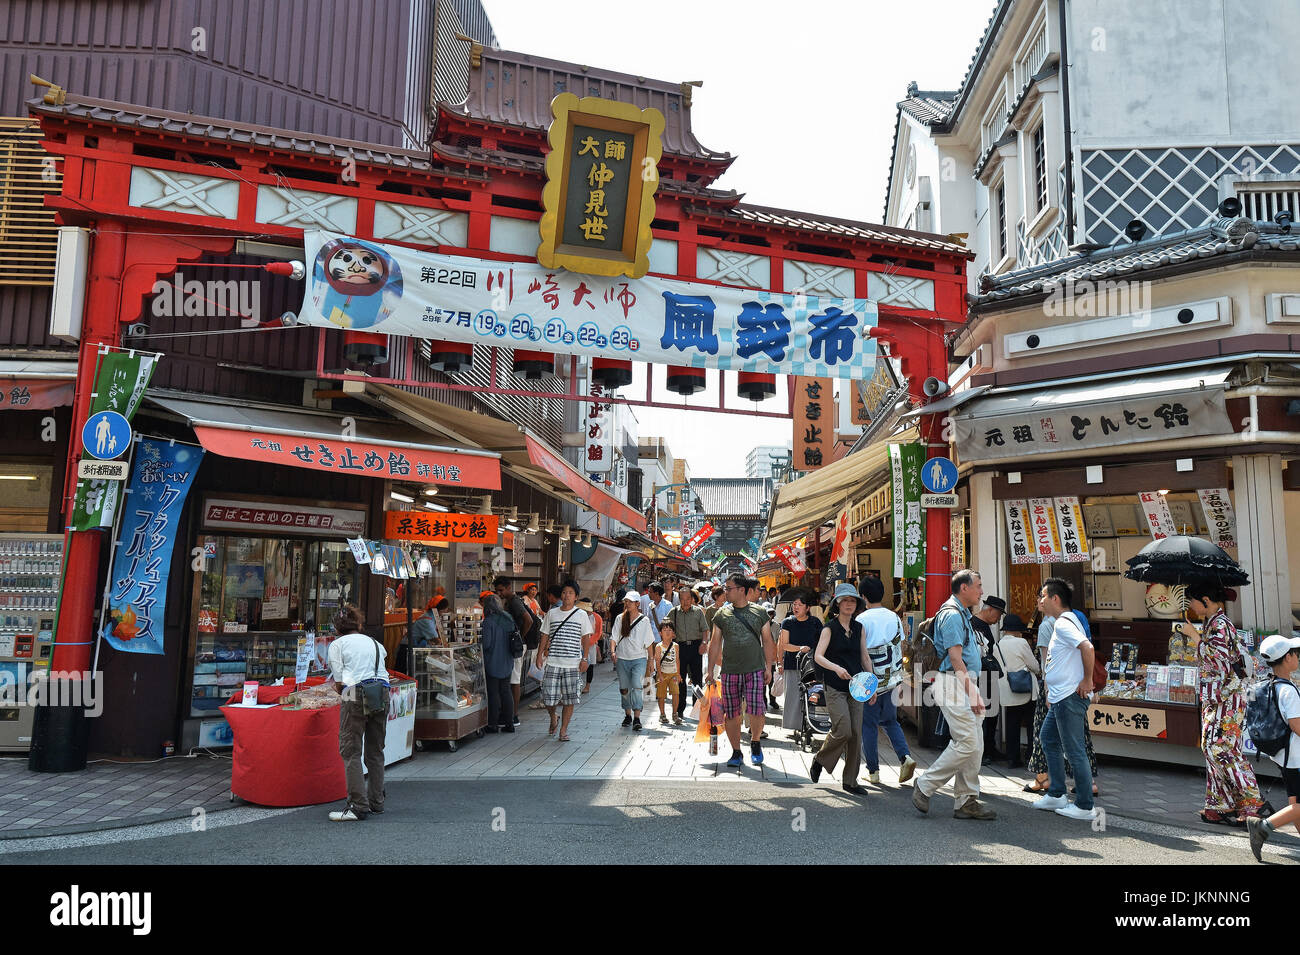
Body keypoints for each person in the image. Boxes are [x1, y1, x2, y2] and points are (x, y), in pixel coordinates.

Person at [913, 570, 997, 820]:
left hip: (962, 683)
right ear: (964, 588)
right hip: (953, 683)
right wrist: (973, 693)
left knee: (974, 743)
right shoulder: (951, 615)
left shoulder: (962, 613)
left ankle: (966, 799)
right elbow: (955, 658)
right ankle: (925, 785)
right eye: (979, 586)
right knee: (968, 742)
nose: (982, 592)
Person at [1183, 581, 1263, 825]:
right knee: (1211, 748)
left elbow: (1218, 662)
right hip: (1219, 697)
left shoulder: (1220, 624)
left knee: (1221, 748)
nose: (1191, 607)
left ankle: (1251, 802)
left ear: (1205, 600)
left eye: (1193, 602)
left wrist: (1195, 638)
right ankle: (1220, 803)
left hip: (1227, 697)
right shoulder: (1215, 622)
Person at [1031, 578, 1098, 821]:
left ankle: (1084, 805)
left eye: (1043, 596)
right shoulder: (1063, 621)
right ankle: (1057, 793)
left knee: (1074, 750)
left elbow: (1087, 648)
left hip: (1070, 696)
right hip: (1061, 696)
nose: (1040, 601)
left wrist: (1087, 680)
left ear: (1055, 599)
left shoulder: (1063, 623)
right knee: (1048, 737)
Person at [326, 604, 388, 822]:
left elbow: (340, 681)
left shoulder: (337, 645)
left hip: (353, 691)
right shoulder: (376, 643)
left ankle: (357, 805)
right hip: (382, 691)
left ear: (337, 627)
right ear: (358, 624)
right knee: (375, 749)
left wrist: (343, 697)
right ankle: (376, 802)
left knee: (350, 749)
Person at [809, 582, 872, 794]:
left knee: (855, 733)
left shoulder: (859, 628)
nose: (848, 604)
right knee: (843, 728)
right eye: (844, 600)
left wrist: (872, 684)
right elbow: (818, 655)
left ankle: (850, 781)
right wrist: (836, 668)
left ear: (857, 604)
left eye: (852, 600)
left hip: (857, 686)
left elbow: (864, 656)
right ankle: (820, 759)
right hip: (834, 685)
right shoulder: (829, 628)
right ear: (837, 603)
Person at [709, 573, 776, 767]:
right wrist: (710, 670)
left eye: (728, 588)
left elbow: (768, 641)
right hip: (729, 671)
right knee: (731, 713)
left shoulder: (759, 612)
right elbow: (715, 643)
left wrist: (769, 667)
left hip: (755, 669)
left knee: (757, 710)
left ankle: (755, 742)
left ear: (741, 590)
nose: (725, 592)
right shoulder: (721, 614)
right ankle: (736, 752)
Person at [856, 576, 916, 786]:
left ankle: (873, 772)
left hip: (871, 682)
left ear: (863, 596)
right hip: (893, 679)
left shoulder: (861, 620)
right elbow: (901, 647)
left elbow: (861, 653)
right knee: (891, 721)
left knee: (869, 725)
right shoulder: (894, 617)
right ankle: (905, 757)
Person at [1247, 635, 1300, 861]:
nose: (1298, 657)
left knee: (1295, 802)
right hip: (1297, 755)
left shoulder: (1260, 686)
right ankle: (1263, 826)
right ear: (1287, 658)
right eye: (1296, 654)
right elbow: (1298, 727)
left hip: (1281, 755)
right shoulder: (1289, 691)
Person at [538, 579, 590, 741]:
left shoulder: (581, 615)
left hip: (573, 663)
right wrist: (540, 655)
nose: (566, 595)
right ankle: (553, 716)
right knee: (548, 698)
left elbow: (586, 638)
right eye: (564, 592)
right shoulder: (552, 613)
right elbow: (545, 634)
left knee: (570, 699)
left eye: (570, 593)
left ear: (576, 597)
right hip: (553, 661)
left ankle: (563, 730)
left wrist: (585, 658)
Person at [993, 613, 1039, 768]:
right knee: (1032, 724)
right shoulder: (1021, 643)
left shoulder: (997, 646)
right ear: (1017, 630)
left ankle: (1012, 758)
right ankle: (1031, 756)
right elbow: (1034, 666)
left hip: (1007, 691)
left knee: (1012, 724)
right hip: (1025, 689)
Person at [970, 595, 1008, 763]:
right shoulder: (974, 624)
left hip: (986, 676)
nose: (999, 618)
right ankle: (985, 751)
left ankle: (989, 749)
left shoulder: (981, 624)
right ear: (990, 609)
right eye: (999, 614)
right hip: (981, 676)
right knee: (985, 715)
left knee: (991, 714)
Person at [610, 591, 655, 730]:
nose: (627, 604)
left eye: (630, 601)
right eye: (626, 601)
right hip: (622, 658)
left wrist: (651, 660)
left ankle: (637, 717)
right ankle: (627, 714)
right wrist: (612, 651)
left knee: (636, 685)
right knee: (624, 688)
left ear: (637, 603)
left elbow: (649, 642)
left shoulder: (644, 620)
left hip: (639, 658)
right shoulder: (620, 618)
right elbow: (614, 637)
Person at [494, 577, 538, 722]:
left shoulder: (514, 601)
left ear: (508, 587)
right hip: (515, 644)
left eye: (501, 590)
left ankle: (513, 715)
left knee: (514, 679)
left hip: (517, 645)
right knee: (512, 678)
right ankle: (510, 713)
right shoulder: (510, 601)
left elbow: (529, 620)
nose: (499, 593)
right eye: (497, 591)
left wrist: (518, 637)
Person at [777, 589, 820, 732]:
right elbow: (784, 645)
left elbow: (821, 642)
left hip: (812, 666)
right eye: (794, 604)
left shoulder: (815, 622)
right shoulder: (787, 622)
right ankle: (794, 726)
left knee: (812, 694)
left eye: (800, 605)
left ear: (808, 608)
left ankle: (811, 723)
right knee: (793, 696)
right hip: (792, 663)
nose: (796, 607)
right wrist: (800, 648)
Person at [667, 586, 707, 720]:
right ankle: (680, 709)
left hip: (696, 647)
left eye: (688, 598)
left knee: (697, 679)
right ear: (679, 599)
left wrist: (704, 643)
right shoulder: (674, 612)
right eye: (683, 599)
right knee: (680, 679)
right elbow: (666, 627)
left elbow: (705, 630)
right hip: (680, 648)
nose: (685, 602)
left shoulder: (698, 612)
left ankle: (697, 709)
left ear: (692, 598)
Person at [479, 594, 516, 733]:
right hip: (507, 660)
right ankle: (509, 723)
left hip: (493, 661)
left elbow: (487, 644)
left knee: (493, 692)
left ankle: (493, 724)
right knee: (506, 691)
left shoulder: (488, 621)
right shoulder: (508, 617)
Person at [652, 621, 681, 724]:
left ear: (673, 633)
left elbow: (677, 660)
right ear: (660, 633)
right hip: (663, 674)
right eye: (664, 630)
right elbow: (657, 661)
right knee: (661, 695)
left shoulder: (676, 646)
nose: (667, 632)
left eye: (670, 630)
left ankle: (675, 714)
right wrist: (659, 675)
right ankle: (662, 714)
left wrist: (678, 674)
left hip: (673, 673)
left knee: (676, 693)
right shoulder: (658, 646)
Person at [578, 597, 602, 693]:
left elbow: (598, 632)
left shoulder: (597, 617)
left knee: (590, 666)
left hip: (591, 644)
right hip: (577, 643)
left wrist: (589, 642)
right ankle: (577, 684)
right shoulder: (577, 615)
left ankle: (587, 686)